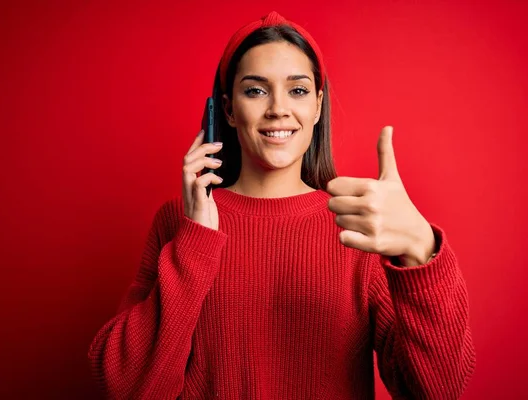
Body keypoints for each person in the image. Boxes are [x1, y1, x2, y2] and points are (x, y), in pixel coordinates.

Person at [88, 11, 476, 399]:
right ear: (227, 109)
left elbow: (436, 391)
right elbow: (127, 386)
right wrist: (195, 242)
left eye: (298, 90)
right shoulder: (178, 222)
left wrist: (421, 252)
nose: (278, 108)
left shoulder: (360, 227)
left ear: (318, 106)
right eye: (256, 90)